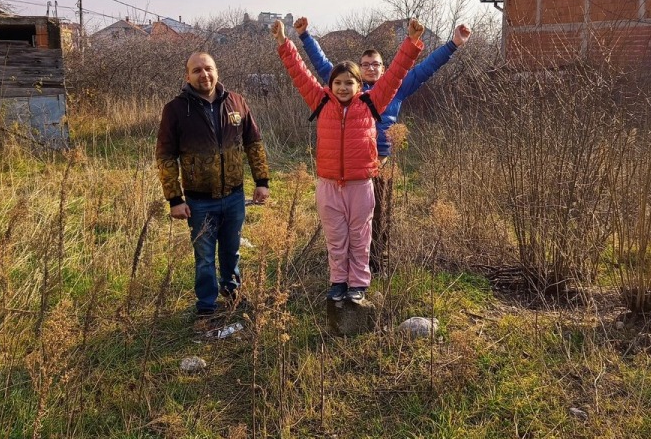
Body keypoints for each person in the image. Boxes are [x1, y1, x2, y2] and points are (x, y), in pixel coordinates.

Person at [295, 18, 472, 272]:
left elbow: (427, 67)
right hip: (349, 170)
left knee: (377, 220)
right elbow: (322, 64)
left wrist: (454, 43)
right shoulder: (348, 89)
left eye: (375, 64)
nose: (369, 68)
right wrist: (304, 36)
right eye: (364, 64)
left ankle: (375, 266)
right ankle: (342, 269)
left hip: (381, 165)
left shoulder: (396, 87)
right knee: (344, 223)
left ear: (383, 67)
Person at [272, 17, 424, 302]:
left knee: (360, 236)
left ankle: (358, 283)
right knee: (336, 238)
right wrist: (284, 41)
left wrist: (411, 42)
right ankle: (338, 281)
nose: (343, 87)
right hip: (328, 185)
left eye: (349, 83)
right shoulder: (320, 101)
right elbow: (299, 72)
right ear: (331, 85)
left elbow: (395, 75)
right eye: (338, 83)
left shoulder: (371, 103)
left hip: (360, 184)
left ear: (358, 85)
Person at [156, 52, 270, 317]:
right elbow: (165, 156)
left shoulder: (236, 102)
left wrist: (261, 181)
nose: (203, 75)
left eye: (208, 69)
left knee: (232, 251)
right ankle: (206, 308)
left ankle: (233, 297)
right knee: (205, 258)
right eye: (196, 70)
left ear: (217, 72)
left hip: (234, 196)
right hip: (198, 200)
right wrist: (175, 198)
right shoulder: (175, 109)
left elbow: (253, 144)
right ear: (187, 76)